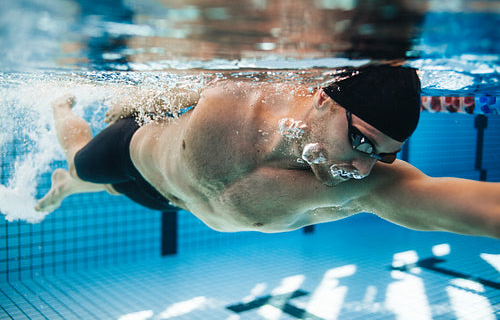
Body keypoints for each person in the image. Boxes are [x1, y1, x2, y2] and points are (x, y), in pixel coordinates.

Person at [35, 65, 500, 239]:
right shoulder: (236, 96)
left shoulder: (353, 188)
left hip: (167, 199)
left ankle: (72, 186)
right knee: (80, 158)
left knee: (115, 191)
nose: (361, 167)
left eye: (382, 155)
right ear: (323, 98)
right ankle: (61, 107)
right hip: (134, 152)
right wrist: (126, 107)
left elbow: (464, 206)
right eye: (359, 139)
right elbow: (164, 90)